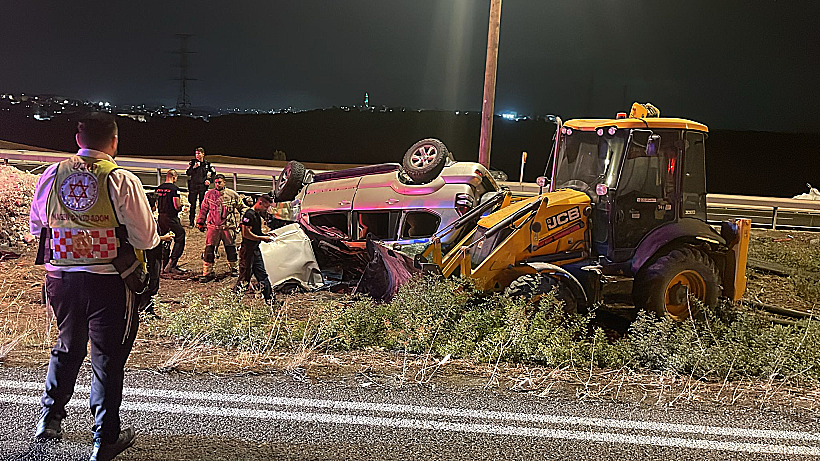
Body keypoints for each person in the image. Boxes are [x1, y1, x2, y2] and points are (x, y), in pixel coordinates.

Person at [29, 112, 159, 461]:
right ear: (114, 141)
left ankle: (50, 419)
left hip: (62, 278)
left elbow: (38, 223)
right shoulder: (120, 179)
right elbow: (146, 238)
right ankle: (104, 438)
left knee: (67, 346)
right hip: (108, 282)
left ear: (78, 139)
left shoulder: (52, 174)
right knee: (107, 357)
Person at [196, 173, 243, 282]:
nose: (217, 184)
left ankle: (234, 269)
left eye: (219, 182)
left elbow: (242, 208)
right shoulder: (209, 194)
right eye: (216, 182)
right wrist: (200, 221)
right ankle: (207, 272)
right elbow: (203, 209)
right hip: (213, 227)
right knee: (209, 249)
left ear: (224, 182)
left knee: (231, 248)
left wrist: (242, 222)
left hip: (228, 227)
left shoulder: (232, 195)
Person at [234, 193, 274, 303]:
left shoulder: (257, 215)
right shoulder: (249, 215)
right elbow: (246, 234)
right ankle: (234, 302)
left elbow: (256, 232)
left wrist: (267, 234)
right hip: (247, 250)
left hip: (255, 250)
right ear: (260, 203)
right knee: (244, 277)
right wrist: (262, 238)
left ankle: (270, 300)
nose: (266, 210)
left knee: (262, 276)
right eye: (265, 207)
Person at [156, 169, 186, 274]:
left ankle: (162, 264)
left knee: (165, 239)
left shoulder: (159, 188)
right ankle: (172, 263)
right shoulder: (174, 189)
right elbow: (176, 206)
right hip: (171, 217)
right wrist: (182, 206)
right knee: (180, 235)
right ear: (174, 177)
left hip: (161, 217)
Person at [185, 147, 216, 227]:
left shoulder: (207, 164)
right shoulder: (192, 163)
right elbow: (188, 173)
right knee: (192, 205)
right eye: (196, 154)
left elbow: (213, 173)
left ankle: (202, 221)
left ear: (203, 154)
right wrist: (194, 167)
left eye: (199, 153)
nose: (197, 155)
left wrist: (209, 180)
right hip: (193, 186)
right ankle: (191, 222)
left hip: (202, 187)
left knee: (203, 205)